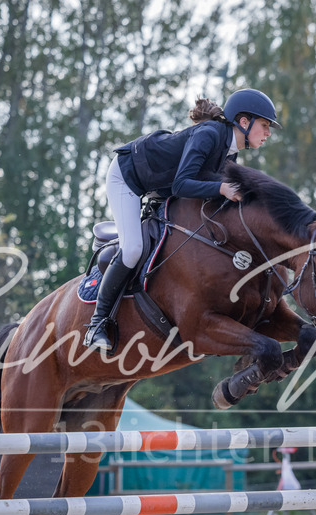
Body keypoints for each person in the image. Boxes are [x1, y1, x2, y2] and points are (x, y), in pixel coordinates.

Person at [84, 88, 282, 351]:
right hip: (127, 177)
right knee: (132, 249)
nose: (268, 133)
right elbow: (181, 185)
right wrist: (221, 189)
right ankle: (97, 323)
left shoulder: (229, 152)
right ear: (244, 122)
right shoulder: (209, 134)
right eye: (265, 125)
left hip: (157, 186)